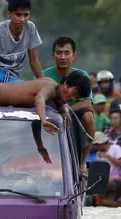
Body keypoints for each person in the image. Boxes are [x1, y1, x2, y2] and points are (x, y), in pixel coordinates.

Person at [41, 37, 95, 171]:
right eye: (59, 53)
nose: (63, 57)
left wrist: (66, 110)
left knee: (89, 117)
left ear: (74, 55)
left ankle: (82, 162)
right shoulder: (44, 75)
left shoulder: (82, 75)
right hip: (50, 112)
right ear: (53, 55)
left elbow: (87, 102)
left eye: (67, 53)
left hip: (73, 112)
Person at [0, 0, 43, 83]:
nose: (22, 19)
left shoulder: (30, 27)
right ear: (9, 14)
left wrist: (42, 81)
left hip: (13, 78)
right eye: (18, 15)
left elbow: (33, 60)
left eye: (26, 15)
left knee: (45, 84)